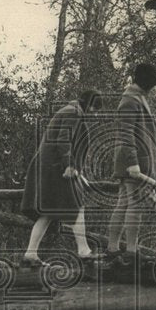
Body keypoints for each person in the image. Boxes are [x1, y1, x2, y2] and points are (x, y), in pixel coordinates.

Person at [20, 88, 104, 266]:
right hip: (56, 168)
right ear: (88, 106)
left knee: (47, 212)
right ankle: (83, 250)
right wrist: (69, 165)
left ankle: (30, 253)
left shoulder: (71, 111)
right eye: (95, 109)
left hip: (50, 168)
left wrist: (79, 174)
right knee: (77, 206)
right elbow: (63, 140)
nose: (95, 114)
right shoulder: (73, 113)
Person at [106, 63, 156, 263]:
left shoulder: (136, 97)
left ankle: (113, 248)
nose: (152, 88)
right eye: (152, 84)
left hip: (135, 160)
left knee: (123, 203)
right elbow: (125, 132)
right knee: (134, 205)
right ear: (145, 82)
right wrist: (133, 163)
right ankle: (131, 252)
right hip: (134, 162)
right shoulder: (130, 100)